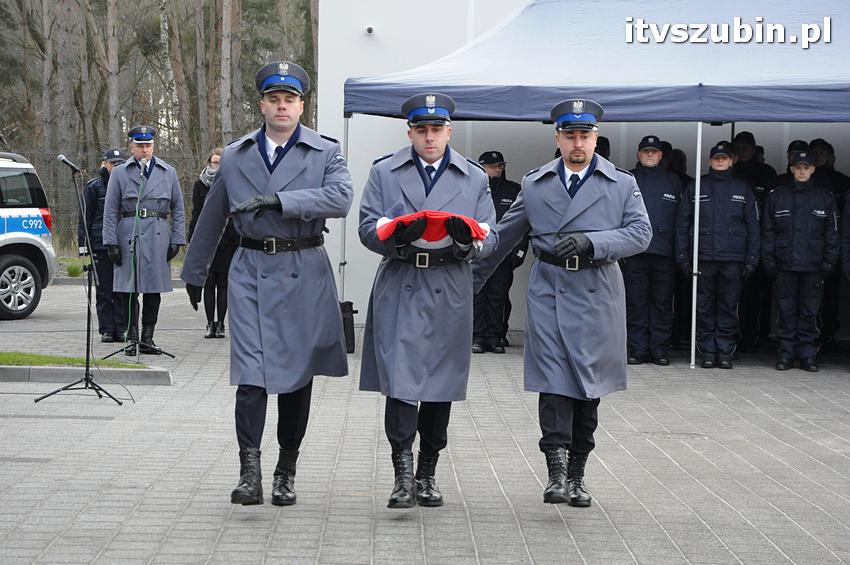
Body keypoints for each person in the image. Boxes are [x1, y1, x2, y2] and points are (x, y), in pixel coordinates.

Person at [182, 61, 352, 507]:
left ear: (301, 106)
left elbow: (341, 198)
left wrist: (281, 200)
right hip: (250, 271)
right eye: (273, 99)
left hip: (303, 270)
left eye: (289, 99)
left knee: (297, 377)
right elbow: (213, 215)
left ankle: (285, 471)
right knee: (250, 375)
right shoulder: (236, 155)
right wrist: (195, 271)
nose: (281, 106)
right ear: (261, 105)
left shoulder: (325, 152)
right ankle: (249, 472)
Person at [474, 99, 651, 507]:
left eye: (584, 135)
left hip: (597, 290)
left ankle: (577, 476)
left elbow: (641, 233)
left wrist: (593, 242)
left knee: (588, 388)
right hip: (550, 289)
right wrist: (466, 281)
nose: (577, 143)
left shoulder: (620, 183)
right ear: (558, 139)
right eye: (570, 136)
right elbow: (504, 236)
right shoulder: (537, 183)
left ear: (595, 139)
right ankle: (555, 472)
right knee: (553, 382)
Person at [359, 92, 497, 509]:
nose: (430, 137)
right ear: (410, 133)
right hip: (402, 278)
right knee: (400, 381)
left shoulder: (474, 177)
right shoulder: (385, 171)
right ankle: (402, 474)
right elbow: (367, 226)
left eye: (437, 129)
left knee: (441, 382)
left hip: (448, 284)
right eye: (422, 130)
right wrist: (395, 240)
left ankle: (428, 472)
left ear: (449, 132)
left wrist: (468, 246)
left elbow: (491, 233)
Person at [102, 126, 186, 356]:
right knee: (128, 291)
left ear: (153, 146)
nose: (144, 150)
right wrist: (110, 242)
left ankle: (148, 338)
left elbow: (178, 208)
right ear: (132, 147)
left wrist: (178, 239)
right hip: (129, 234)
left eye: (148, 145)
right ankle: (132, 337)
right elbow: (110, 210)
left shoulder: (168, 171)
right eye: (140, 146)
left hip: (158, 234)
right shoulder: (120, 172)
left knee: (153, 290)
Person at [675, 141, 760, 369]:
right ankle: (707, 351)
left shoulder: (743, 188)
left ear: (732, 161)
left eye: (724, 157)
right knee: (703, 307)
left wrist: (752, 259)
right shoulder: (696, 187)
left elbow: (753, 226)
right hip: (702, 257)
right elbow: (682, 224)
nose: (720, 161)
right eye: (716, 158)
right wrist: (682, 256)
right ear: (710, 161)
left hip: (733, 259)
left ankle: (724, 351)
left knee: (728, 307)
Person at [762, 150, 839, 372]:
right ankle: (786, 354)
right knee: (786, 311)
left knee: (810, 312)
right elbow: (767, 231)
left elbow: (832, 234)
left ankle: (807, 355)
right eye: (798, 167)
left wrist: (829, 262)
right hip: (784, 264)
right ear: (791, 169)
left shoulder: (825, 198)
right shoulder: (777, 197)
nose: (802, 171)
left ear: (813, 169)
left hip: (814, 266)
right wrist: (768, 259)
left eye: (806, 167)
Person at [624, 136, 683, 365]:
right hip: (634, 252)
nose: (650, 154)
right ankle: (637, 349)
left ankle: (660, 349)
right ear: (638, 154)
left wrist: (680, 252)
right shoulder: (628, 179)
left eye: (654, 151)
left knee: (662, 303)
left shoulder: (673, 181)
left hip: (664, 252)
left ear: (661, 156)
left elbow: (682, 219)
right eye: (646, 151)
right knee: (636, 302)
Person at [472, 150, 527, 353]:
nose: (498, 169)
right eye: (493, 166)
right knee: (477, 296)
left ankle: (495, 337)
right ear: (482, 167)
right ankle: (477, 336)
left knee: (498, 296)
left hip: (504, 255)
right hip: (479, 252)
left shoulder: (514, 190)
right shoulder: (474, 189)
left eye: (501, 166)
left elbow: (524, 225)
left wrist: (519, 252)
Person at [78, 148, 129, 343]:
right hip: (101, 245)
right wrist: (84, 245)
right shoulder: (94, 187)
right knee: (105, 289)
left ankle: (121, 328)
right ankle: (107, 329)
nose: (115, 167)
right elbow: (85, 218)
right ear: (105, 164)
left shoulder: (129, 184)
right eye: (112, 163)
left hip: (123, 244)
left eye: (119, 163)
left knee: (122, 289)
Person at [732, 131, 777, 351]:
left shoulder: (766, 173)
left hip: (760, 240)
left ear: (753, 148)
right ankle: (734, 337)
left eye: (745, 147)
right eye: (737, 148)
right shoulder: (729, 172)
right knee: (734, 295)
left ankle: (755, 335)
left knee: (758, 295)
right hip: (734, 244)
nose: (741, 152)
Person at [188, 148, 238, 339]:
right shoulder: (200, 184)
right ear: (209, 163)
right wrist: (192, 238)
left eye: (220, 163)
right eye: (214, 162)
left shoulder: (232, 183)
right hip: (207, 238)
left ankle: (221, 324)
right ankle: (210, 323)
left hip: (228, 238)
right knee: (209, 282)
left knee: (223, 283)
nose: (217, 166)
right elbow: (196, 213)